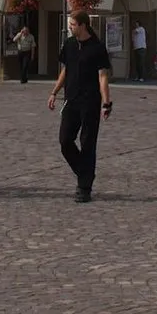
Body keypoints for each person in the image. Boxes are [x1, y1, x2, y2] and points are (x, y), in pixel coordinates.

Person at [48, 11, 113, 202]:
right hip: (71, 100)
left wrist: (106, 103)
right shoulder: (69, 45)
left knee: (87, 144)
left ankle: (84, 187)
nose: (70, 27)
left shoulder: (97, 47)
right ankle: (85, 174)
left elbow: (103, 76)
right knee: (65, 141)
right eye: (70, 24)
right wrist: (54, 92)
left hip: (90, 102)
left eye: (73, 24)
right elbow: (65, 70)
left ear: (83, 25)